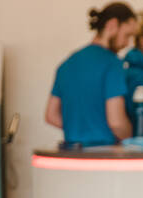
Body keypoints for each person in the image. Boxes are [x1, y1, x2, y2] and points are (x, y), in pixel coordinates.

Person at [46, 4, 137, 147]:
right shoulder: (112, 63)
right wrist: (133, 138)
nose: (127, 43)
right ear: (113, 25)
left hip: (71, 153)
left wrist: (81, 130)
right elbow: (116, 123)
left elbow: (51, 116)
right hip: (103, 155)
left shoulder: (66, 64)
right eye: (127, 36)